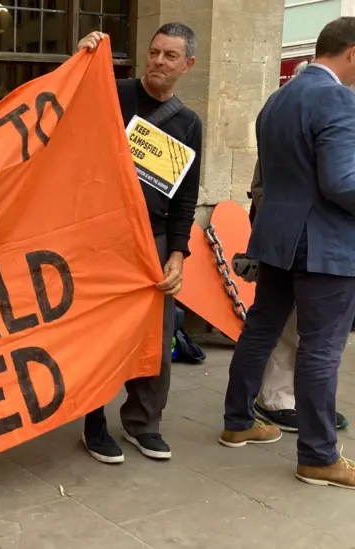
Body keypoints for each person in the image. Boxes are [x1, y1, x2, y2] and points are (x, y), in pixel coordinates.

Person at [220, 17, 355, 490]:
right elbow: (341, 182)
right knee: (322, 348)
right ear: (352, 53)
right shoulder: (339, 97)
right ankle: (319, 456)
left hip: (277, 238)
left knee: (260, 328)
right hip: (325, 246)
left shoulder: (276, 100)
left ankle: (238, 421)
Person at [76, 23, 202, 464]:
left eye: (170, 56)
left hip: (154, 239)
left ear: (188, 65)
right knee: (100, 335)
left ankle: (143, 423)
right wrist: (80, 61)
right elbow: (64, 105)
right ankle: (93, 424)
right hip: (104, 236)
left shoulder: (188, 125)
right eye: (154, 52)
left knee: (157, 335)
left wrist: (178, 254)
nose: (158, 63)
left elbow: (186, 198)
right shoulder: (114, 93)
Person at [246, 149, 349, 433]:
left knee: (321, 334)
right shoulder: (313, 117)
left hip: (323, 239)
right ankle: (276, 399)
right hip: (304, 238)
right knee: (292, 324)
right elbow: (264, 184)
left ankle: (308, 402)